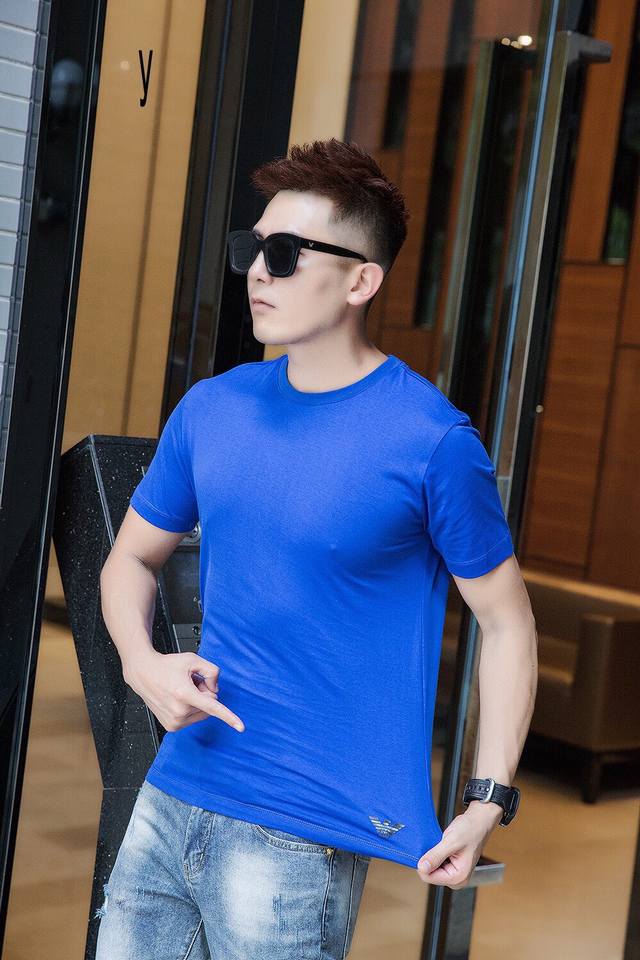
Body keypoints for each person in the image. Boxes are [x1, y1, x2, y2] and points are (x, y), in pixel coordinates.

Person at [96, 138, 537, 960]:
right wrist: (139, 660)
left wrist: (487, 801)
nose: (257, 273)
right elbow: (130, 558)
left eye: (285, 254)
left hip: (303, 834)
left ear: (361, 280)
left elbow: (508, 623)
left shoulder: (432, 442)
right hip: (174, 792)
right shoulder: (212, 408)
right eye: (252, 249)